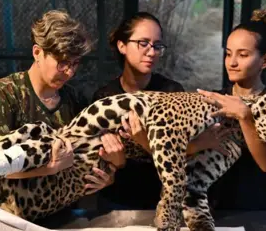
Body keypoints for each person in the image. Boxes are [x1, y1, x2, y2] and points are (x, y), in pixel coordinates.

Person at [0, 10, 123, 206]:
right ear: (37, 52)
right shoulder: (5, 92)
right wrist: (48, 169)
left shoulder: (74, 98)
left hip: (61, 208)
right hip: (12, 211)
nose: (69, 72)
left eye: (75, 63)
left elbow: (91, 156)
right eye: (62, 62)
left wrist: (107, 177)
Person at [92, 12, 233, 210]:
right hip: (117, 199)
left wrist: (145, 141)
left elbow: (183, 155)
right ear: (122, 45)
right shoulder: (105, 98)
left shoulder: (172, 92)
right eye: (143, 43)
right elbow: (103, 159)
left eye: (157, 45)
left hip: (162, 199)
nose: (152, 52)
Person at [197, 7, 266, 211]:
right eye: (228, 54)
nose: (232, 62)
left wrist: (245, 116)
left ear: (265, 61)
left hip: (262, 210)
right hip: (217, 207)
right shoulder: (215, 99)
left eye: (243, 55)